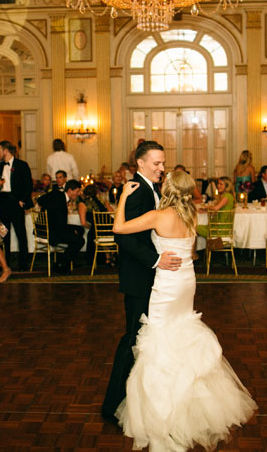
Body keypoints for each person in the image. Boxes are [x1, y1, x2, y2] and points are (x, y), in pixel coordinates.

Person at [111, 170, 257, 450]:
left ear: (168, 188)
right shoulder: (191, 214)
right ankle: (192, 403)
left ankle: (166, 410)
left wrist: (123, 198)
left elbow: (119, 228)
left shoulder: (159, 216)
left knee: (161, 339)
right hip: (187, 280)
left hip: (168, 283)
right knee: (182, 332)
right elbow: (188, 251)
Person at [102, 141, 182, 425]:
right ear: (141, 163)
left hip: (147, 276)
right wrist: (156, 260)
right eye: (157, 163)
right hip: (139, 277)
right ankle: (113, 405)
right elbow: (122, 236)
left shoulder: (150, 189)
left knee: (141, 338)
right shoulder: (137, 191)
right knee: (132, 339)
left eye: (163, 163)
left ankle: (135, 399)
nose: (162, 168)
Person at [0, 141, 33, 272]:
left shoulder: (22, 165)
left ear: (5, 151)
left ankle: (23, 264)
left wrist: (22, 200)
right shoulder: (0, 166)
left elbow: (28, 185)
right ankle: (4, 263)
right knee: (4, 234)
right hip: (4, 201)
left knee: (21, 233)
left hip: (16, 201)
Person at [37, 179, 85, 274]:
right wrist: (71, 231)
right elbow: (60, 225)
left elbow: (39, 200)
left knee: (80, 229)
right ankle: (60, 262)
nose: (78, 194)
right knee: (80, 240)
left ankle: (69, 259)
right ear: (70, 190)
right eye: (77, 191)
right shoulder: (60, 199)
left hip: (45, 228)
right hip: (52, 231)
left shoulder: (56, 194)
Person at [78, 183, 110, 267]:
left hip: (98, 231)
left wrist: (92, 227)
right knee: (95, 232)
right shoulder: (100, 202)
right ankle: (108, 256)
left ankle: (94, 261)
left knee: (91, 233)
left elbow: (83, 223)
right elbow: (111, 212)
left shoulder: (83, 203)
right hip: (109, 229)